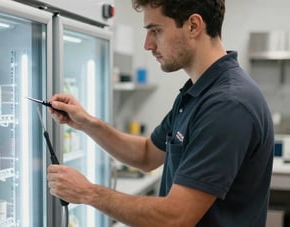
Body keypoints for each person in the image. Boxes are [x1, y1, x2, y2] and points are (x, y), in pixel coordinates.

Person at [47, 0, 274, 226]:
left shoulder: (227, 104)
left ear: (193, 26)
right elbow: (147, 155)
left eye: (155, 30)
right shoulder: (196, 94)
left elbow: (176, 217)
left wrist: (87, 193)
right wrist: (86, 122)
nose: (148, 44)